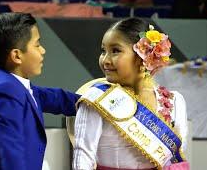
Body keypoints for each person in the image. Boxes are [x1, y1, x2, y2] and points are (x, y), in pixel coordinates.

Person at [0, 12, 79, 170]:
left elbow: (52, 97)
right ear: (17, 56)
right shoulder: (4, 91)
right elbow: (12, 152)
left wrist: (92, 102)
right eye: (37, 45)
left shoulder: (10, 82)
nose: (43, 50)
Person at [72, 18, 189, 170]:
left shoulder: (174, 102)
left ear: (143, 55)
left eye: (115, 51)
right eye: (103, 51)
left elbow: (176, 159)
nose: (105, 60)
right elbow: (82, 160)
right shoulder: (97, 98)